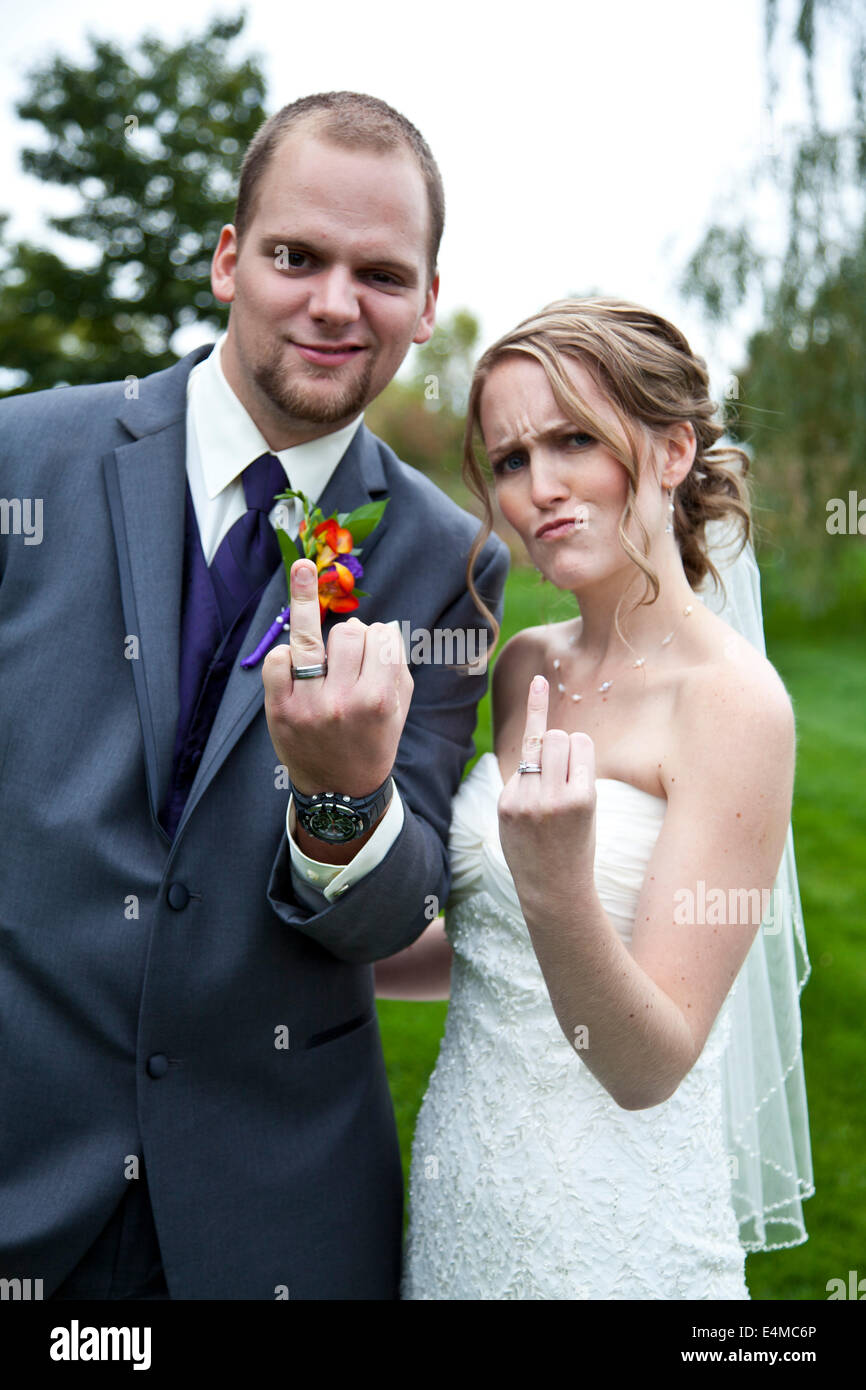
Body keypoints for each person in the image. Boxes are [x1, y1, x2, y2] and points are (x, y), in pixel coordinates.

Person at [0, 91, 508, 1300]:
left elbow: (392, 912)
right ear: (230, 260)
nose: (336, 304)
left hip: (274, 1213)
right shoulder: (22, 460)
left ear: (427, 303)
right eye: (296, 256)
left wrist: (340, 805)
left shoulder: (448, 560)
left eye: (381, 273)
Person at [376, 298, 813, 1299]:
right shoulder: (523, 666)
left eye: (573, 438)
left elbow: (646, 1064)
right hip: (463, 1198)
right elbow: (495, 954)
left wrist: (557, 884)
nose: (538, 488)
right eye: (512, 458)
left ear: (668, 452)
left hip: (615, 1236)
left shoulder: (734, 706)